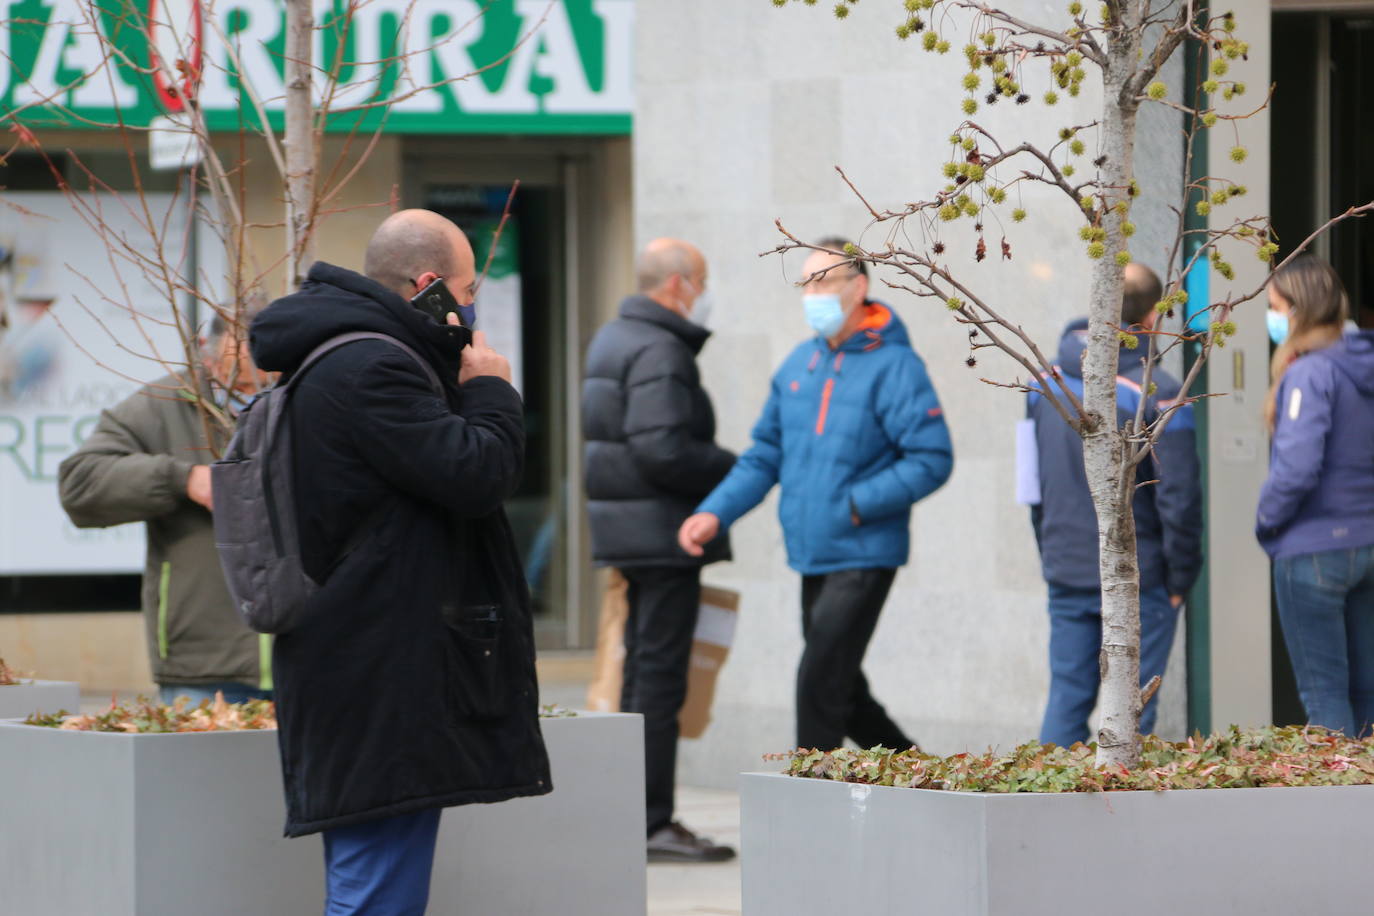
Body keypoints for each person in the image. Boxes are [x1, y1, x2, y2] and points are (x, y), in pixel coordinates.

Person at [248, 209, 550, 914]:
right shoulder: (374, 366)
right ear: (430, 285)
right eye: (468, 286)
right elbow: (476, 476)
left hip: (369, 660)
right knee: (375, 890)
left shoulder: (345, 354)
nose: (473, 304)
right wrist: (491, 391)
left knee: (374, 880)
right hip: (380, 670)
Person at [679, 238, 952, 752]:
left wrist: (854, 504)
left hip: (864, 551)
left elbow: (932, 459)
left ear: (859, 288)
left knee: (818, 683)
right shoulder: (798, 365)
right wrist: (715, 513)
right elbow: (764, 455)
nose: (812, 294)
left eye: (823, 281)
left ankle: (811, 798)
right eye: (805, 283)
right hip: (813, 551)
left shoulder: (896, 367)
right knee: (842, 689)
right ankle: (923, 778)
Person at [582, 238, 737, 863]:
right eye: (701, 280)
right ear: (677, 284)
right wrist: (738, 465)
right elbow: (662, 449)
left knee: (640, 675)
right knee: (658, 681)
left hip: (633, 532)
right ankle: (650, 820)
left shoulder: (614, 337)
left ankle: (631, 814)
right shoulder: (660, 348)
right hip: (664, 535)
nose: (704, 294)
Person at [1024, 263, 1203, 747]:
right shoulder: (1157, 392)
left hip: (1066, 566)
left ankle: (1048, 809)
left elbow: (1032, 485)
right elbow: (1179, 496)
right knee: (1132, 712)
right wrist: (1180, 578)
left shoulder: (1044, 382)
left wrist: (1050, 551)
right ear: (1153, 318)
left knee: (1067, 698)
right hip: (1139, 574)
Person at [58, 307, 274, 706]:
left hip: (309, 655)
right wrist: (181, 479)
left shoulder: (308, 398)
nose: (245, 391)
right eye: (232, 380)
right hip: (203, 663)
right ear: (206, 357)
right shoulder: (162, 404)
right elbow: (79, 484)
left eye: (261, 380)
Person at [1257, 254, 1374, 737]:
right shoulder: (1362, 363)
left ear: (1298, 309)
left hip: (1313, 551)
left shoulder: (1309, 374)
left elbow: (1297, 469)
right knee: (1366, 691)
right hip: (1367, 544)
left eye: (1274, 306)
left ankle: (1340, 809)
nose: (1272, 316)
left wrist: (1267, 522)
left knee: (1325, 696)